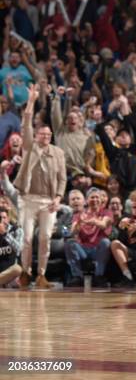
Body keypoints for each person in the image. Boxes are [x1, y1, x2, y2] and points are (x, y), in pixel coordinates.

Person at [15, 85, 67, 289]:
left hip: (48, 201)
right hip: (28, 199)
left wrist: (59, 197)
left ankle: (41, 275)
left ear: (51, 137)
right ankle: (26, 273)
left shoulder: (58, 153)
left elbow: (63, 179)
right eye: (42, 134)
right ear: (36, 136)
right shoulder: (30, 147)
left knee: (45, 237)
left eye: (48, 135)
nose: (45, 137)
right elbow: (26, 123)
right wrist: (31, 101)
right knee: (27, 238)